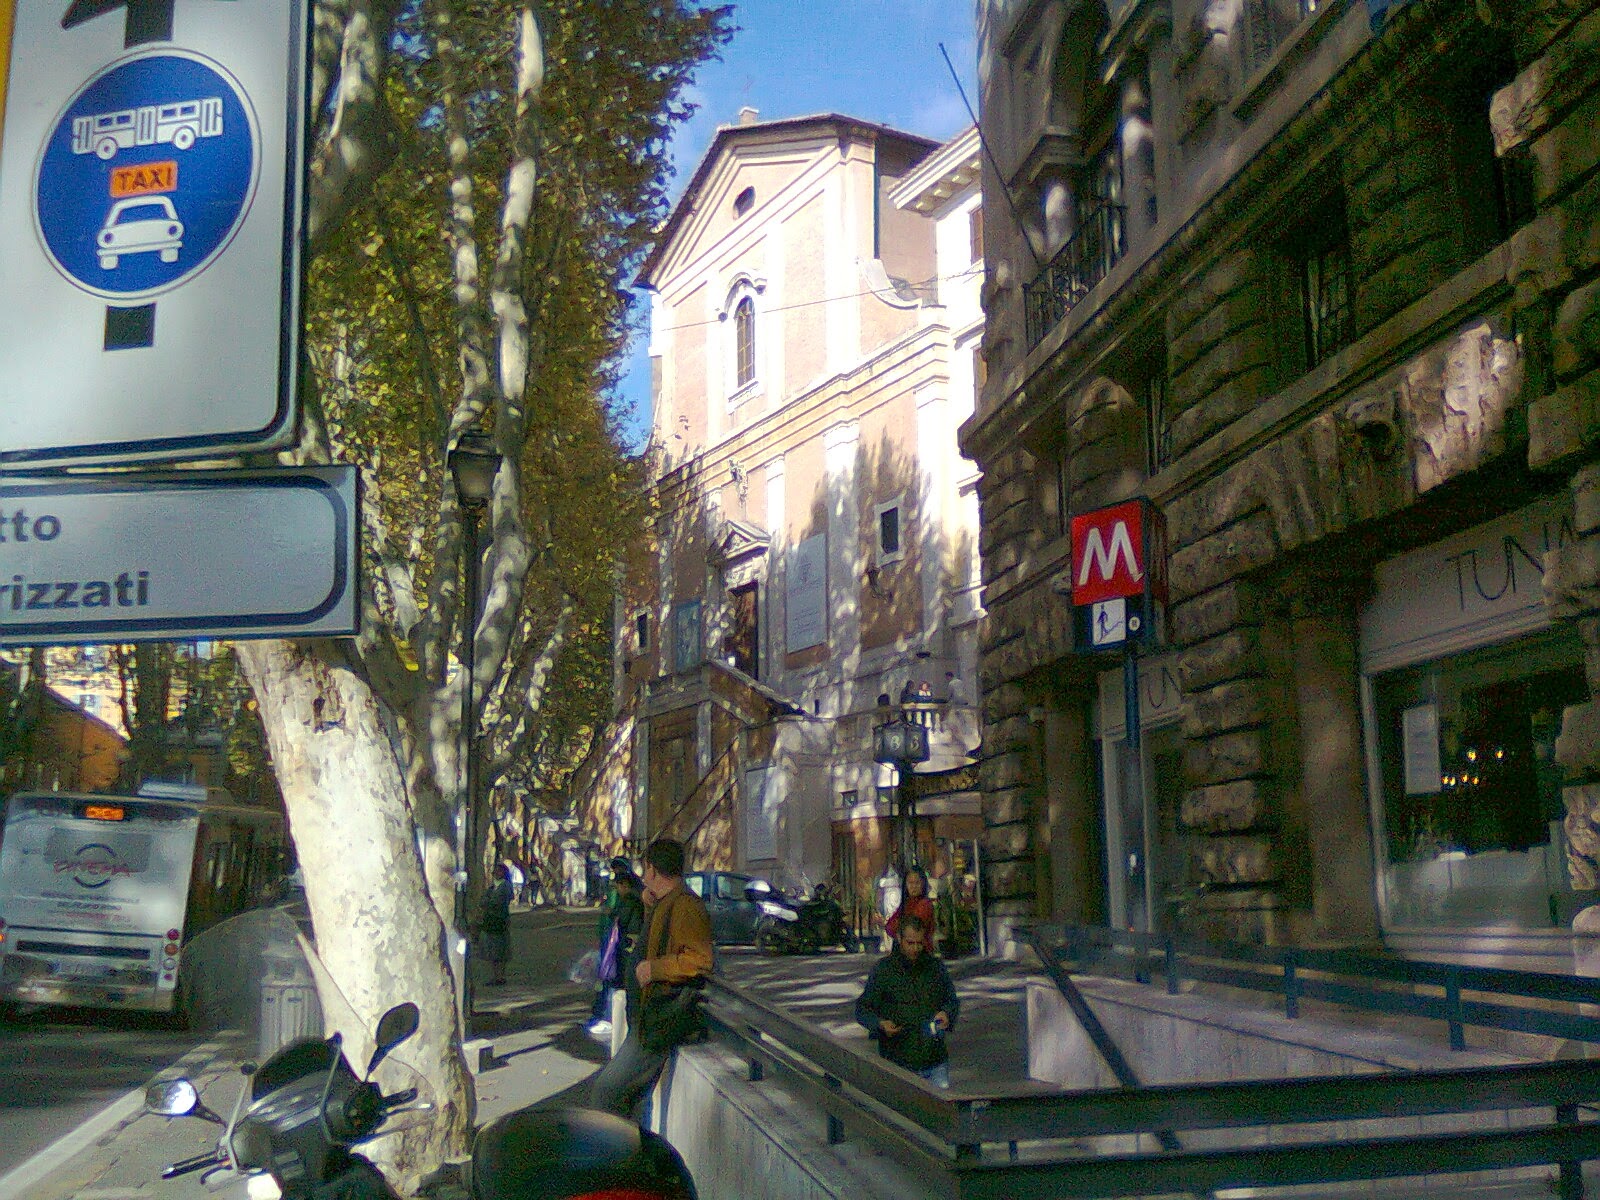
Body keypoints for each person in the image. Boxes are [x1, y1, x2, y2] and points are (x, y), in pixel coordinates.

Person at [590, 837, 713, 1121]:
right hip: (646, 1020)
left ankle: (612, 1155)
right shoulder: (665, 901)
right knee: (630, 1101)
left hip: (658, 1023)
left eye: (646, 871)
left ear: (653, 870)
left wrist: (655, 969)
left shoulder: (686, 907)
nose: (644, 878)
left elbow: (700, 960)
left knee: (606, 1092)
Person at [855, 913, 959, 1088]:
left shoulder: (935, 968)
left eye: (920, 943)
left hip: (934, 1060)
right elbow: (862, 1010)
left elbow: (951, 1000)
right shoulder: (884, 970)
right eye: (910, 943)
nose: (915, 948)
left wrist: (947, 1013)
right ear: (899, 939)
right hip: (897, 1062)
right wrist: (880, 1024)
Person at [586, 870, 644, 1040]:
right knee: (615, 984)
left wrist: (612, 913)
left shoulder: (630, 900)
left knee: (617, 985)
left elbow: (622, 919)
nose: (617, 890)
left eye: (618, 886)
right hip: (625, 948)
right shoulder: (636, 899)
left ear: (625, 885)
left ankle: (613, 1019)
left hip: (625, 949)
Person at [476, 863, 515, 985]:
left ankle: (500, 976)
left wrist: (488, 902)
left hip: (499, 921)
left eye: (498, 871)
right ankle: (496, 975)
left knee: (500, 949)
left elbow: (495, 901)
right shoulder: (492, 887)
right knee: (492, 949)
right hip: (490, 921)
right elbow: (483, 901)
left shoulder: (505, 886)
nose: (495, 873)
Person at [885, 865, 935, 944]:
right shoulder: (906, 904)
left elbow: (913, 928)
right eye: (910, 883)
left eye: (917, 883)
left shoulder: (925, 904)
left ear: (923, 884)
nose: (914, 886)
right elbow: (889, 927)